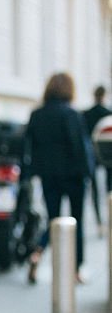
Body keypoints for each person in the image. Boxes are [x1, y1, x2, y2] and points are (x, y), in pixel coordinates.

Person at [22, 72, 92, 285]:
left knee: (54, 221)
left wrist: (34, 171)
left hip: (48, 176)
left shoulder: (37, 115)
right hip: (73, 176)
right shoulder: (71, 115)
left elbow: (29, 146)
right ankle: (75, 270)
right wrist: (86, 173)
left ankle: (38, 252)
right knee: (76, 222)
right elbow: (79, 147)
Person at [82, 84, 112, 235]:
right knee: (109, 187)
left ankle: (100, 221)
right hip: (108, 155)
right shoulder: (108, 113)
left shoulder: (86, 114)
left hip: (91, 156)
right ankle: (109, 218)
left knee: (94, 189)